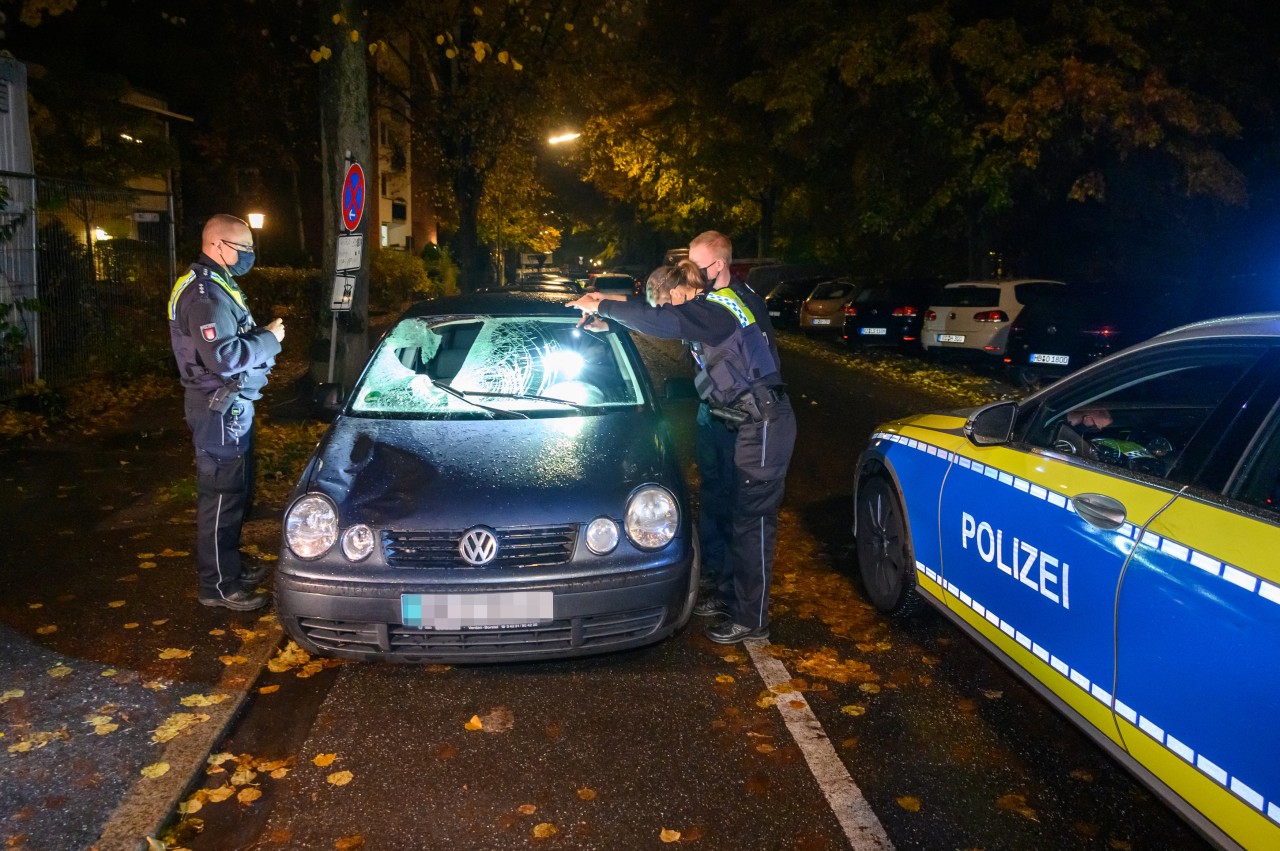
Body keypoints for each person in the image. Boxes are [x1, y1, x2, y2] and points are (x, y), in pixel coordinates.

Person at [568, 254, 796, 644]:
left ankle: (751, 618)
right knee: (729, 511)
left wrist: (602, 303)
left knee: (751, 521)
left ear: (678, 293)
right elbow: (657, 320)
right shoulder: (701, 315)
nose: (665, 312)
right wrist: (608, 312)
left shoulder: (716, 309)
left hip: (763, 424)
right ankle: (729, 598)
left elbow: (663, 320)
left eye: (666, 304)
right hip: (742, 423)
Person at [168, 214, 284, 611]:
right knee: (221, 497)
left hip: (230, 408)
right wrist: (270, 340)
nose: (249, 255)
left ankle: (228, 564)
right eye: (243, 248)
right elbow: (223, 356)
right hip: (218, 410)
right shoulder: (204, 295)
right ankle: (218, 585)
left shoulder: (217, 284)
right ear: (217, 245)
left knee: (237, 492)